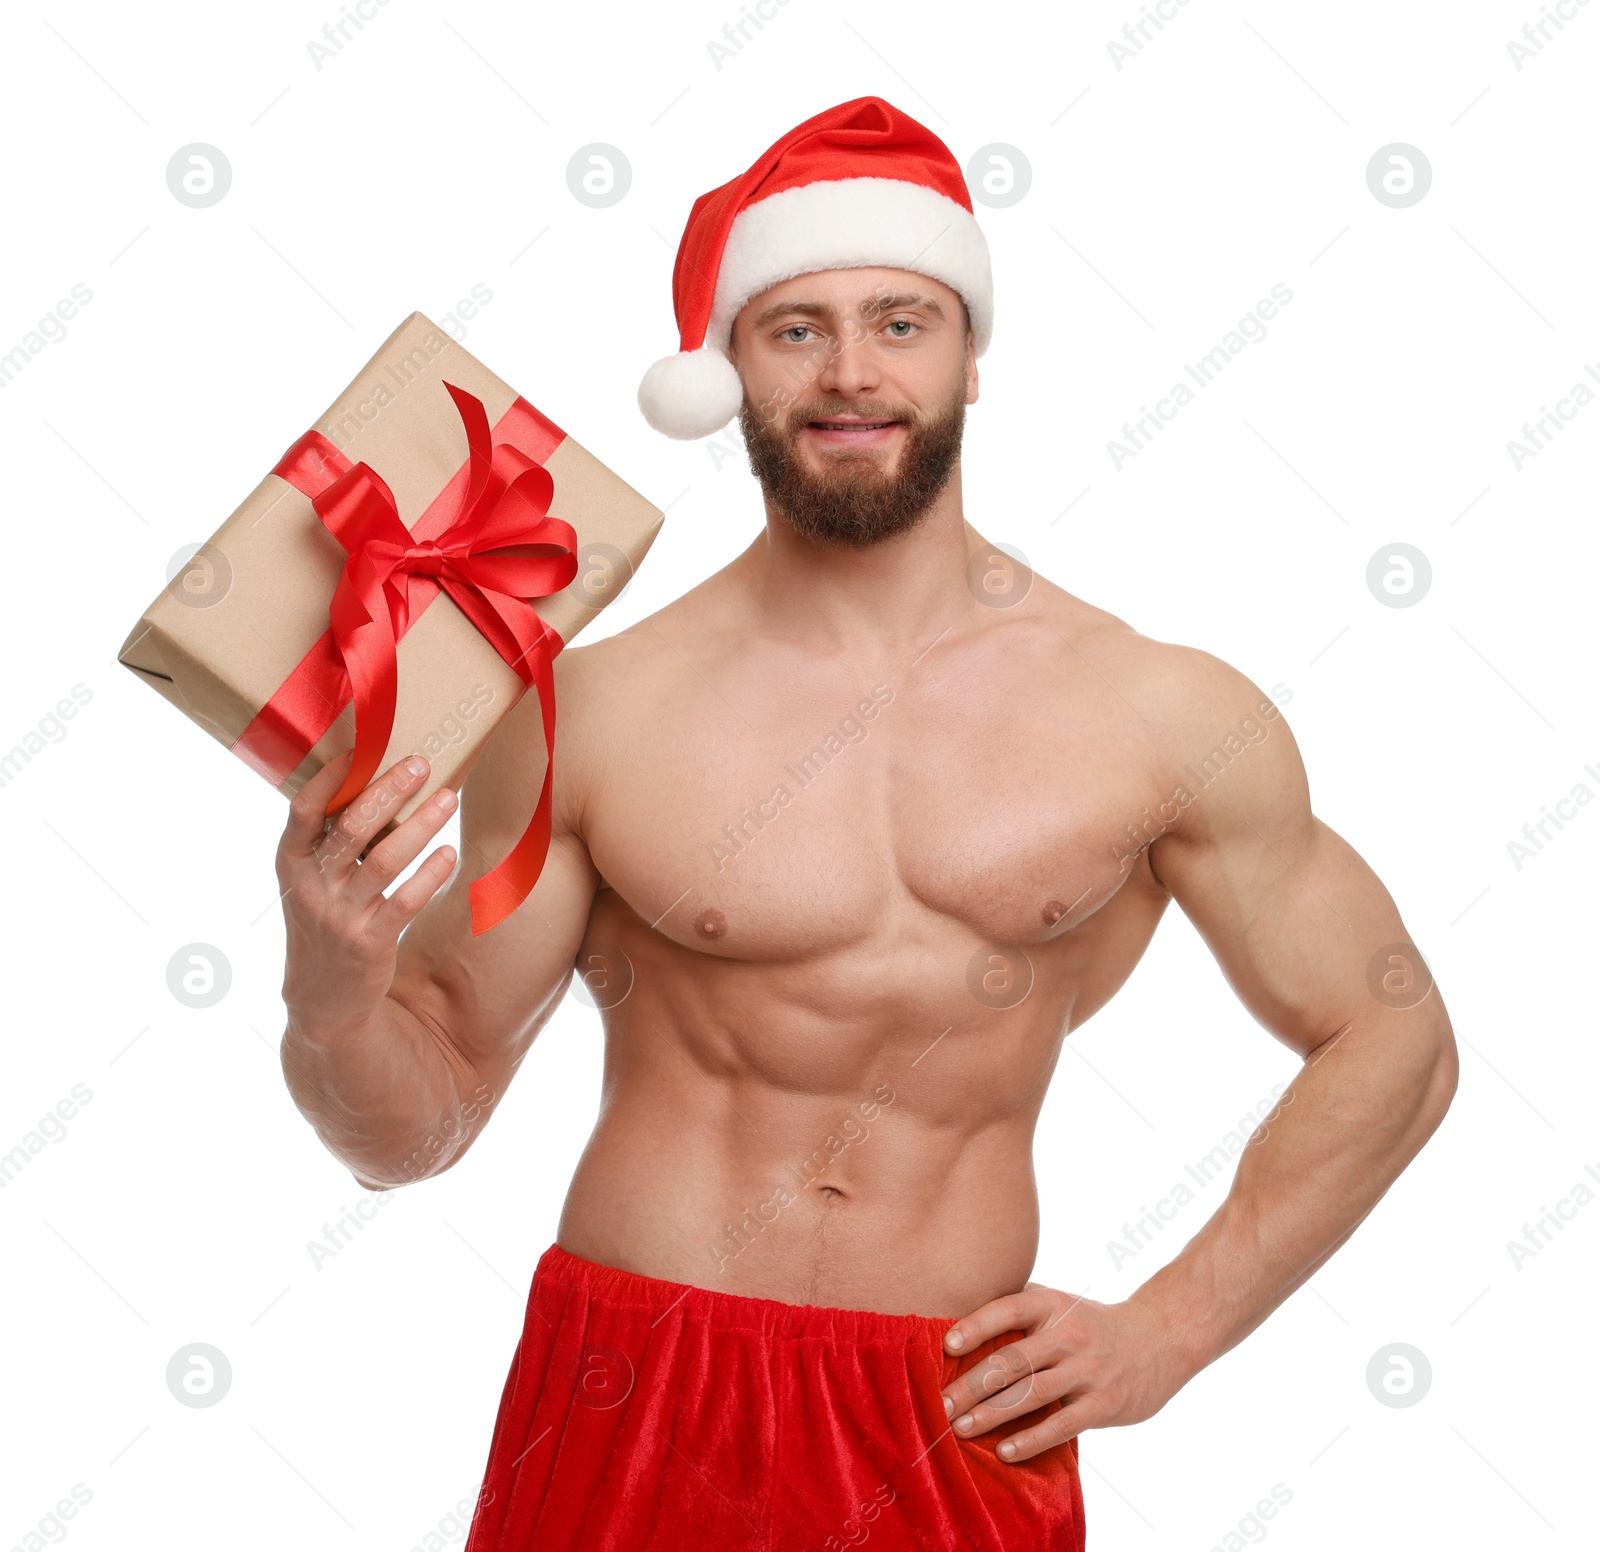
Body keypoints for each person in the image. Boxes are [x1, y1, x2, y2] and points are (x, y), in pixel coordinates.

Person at [275, 97, 1457, 1551]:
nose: (850, 372)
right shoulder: (588, 708)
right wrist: (332, 1004)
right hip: (636, 1385)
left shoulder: (1162, 713)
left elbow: (1394, 1031)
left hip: (951, 1409)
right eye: (795, 328)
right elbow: (422, 1119)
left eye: (902, 322)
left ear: (970, 354)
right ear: (731, 371)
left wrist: (1171, 1329)